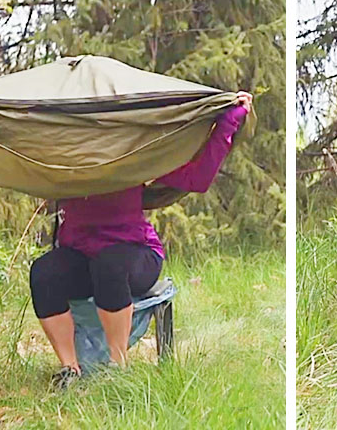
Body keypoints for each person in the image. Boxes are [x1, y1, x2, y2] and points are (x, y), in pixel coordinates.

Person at [29, 92, 253, 389]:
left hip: (138, 255)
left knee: (109, 265)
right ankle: (70, 368)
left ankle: (117, 367)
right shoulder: (63, 164)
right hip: (81, 255)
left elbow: (198, 178)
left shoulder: (133, 158)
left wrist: (231, 119)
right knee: (43, 272)